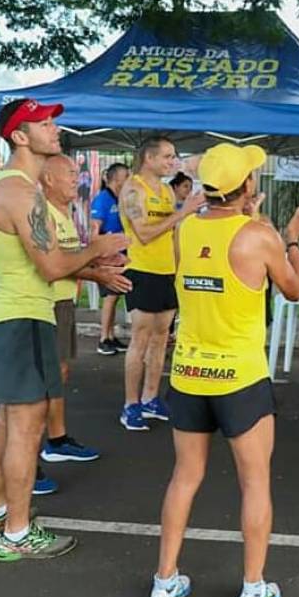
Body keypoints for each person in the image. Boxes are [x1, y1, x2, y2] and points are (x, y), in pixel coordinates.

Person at [150, 143, 299, 597]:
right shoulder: (259, 236)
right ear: (247, 186)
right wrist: (291, 241)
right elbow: (294, 289)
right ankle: (253, 590)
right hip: (240, 377)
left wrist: (248, 218)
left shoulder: (187, 229)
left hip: (189, 373)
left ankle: (163, 584)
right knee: (254, 482)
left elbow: (213, 257)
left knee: (184, 477)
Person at [0, 98, 127, 561]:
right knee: (25, 427)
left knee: (8, 419)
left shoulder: (7, 185)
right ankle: (17, 534)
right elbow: (52, 265)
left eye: (52, 121)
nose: (54, 128)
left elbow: (45, 263)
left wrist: (93, 270)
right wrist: (97, 247)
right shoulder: (20, 191)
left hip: (8, 314)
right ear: (20, 137)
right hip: (23, 318)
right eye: (42, 123)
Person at [38, 154, 130, 470]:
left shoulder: (66, 212)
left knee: (58, 375)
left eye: (77, 173)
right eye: (70, 173)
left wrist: (98, 261)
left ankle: (57, 439)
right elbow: (52, 265)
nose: (77, 179)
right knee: (41, 384)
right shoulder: (42, 213)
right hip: (46, 304)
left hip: (63, 302)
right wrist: (97, 271)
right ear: (49, 179)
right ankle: (30, 458)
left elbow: (69, 257)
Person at [118, 137, 206, 431]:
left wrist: (179, 270)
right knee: (140, 339)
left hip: (167, 273)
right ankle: (130, 405)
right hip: (142, 271)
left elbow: (173, 233)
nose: (172, 162)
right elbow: (143, 233)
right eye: (167, 156)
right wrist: (183, 212)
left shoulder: (167, 191)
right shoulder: (133, 189)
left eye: (173, 156)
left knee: (161, 339)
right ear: (149, 158)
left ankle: (151, 398)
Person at [91, 162, 131, 355]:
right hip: (107, 257)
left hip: (121, 255)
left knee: (115, 297)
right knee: (110, 297)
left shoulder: (120, 199)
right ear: (116, 178)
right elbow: (94, 233)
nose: (129, 180)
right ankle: (103, 338)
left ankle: (111, 335)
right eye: (126, 176)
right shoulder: (102, 200)